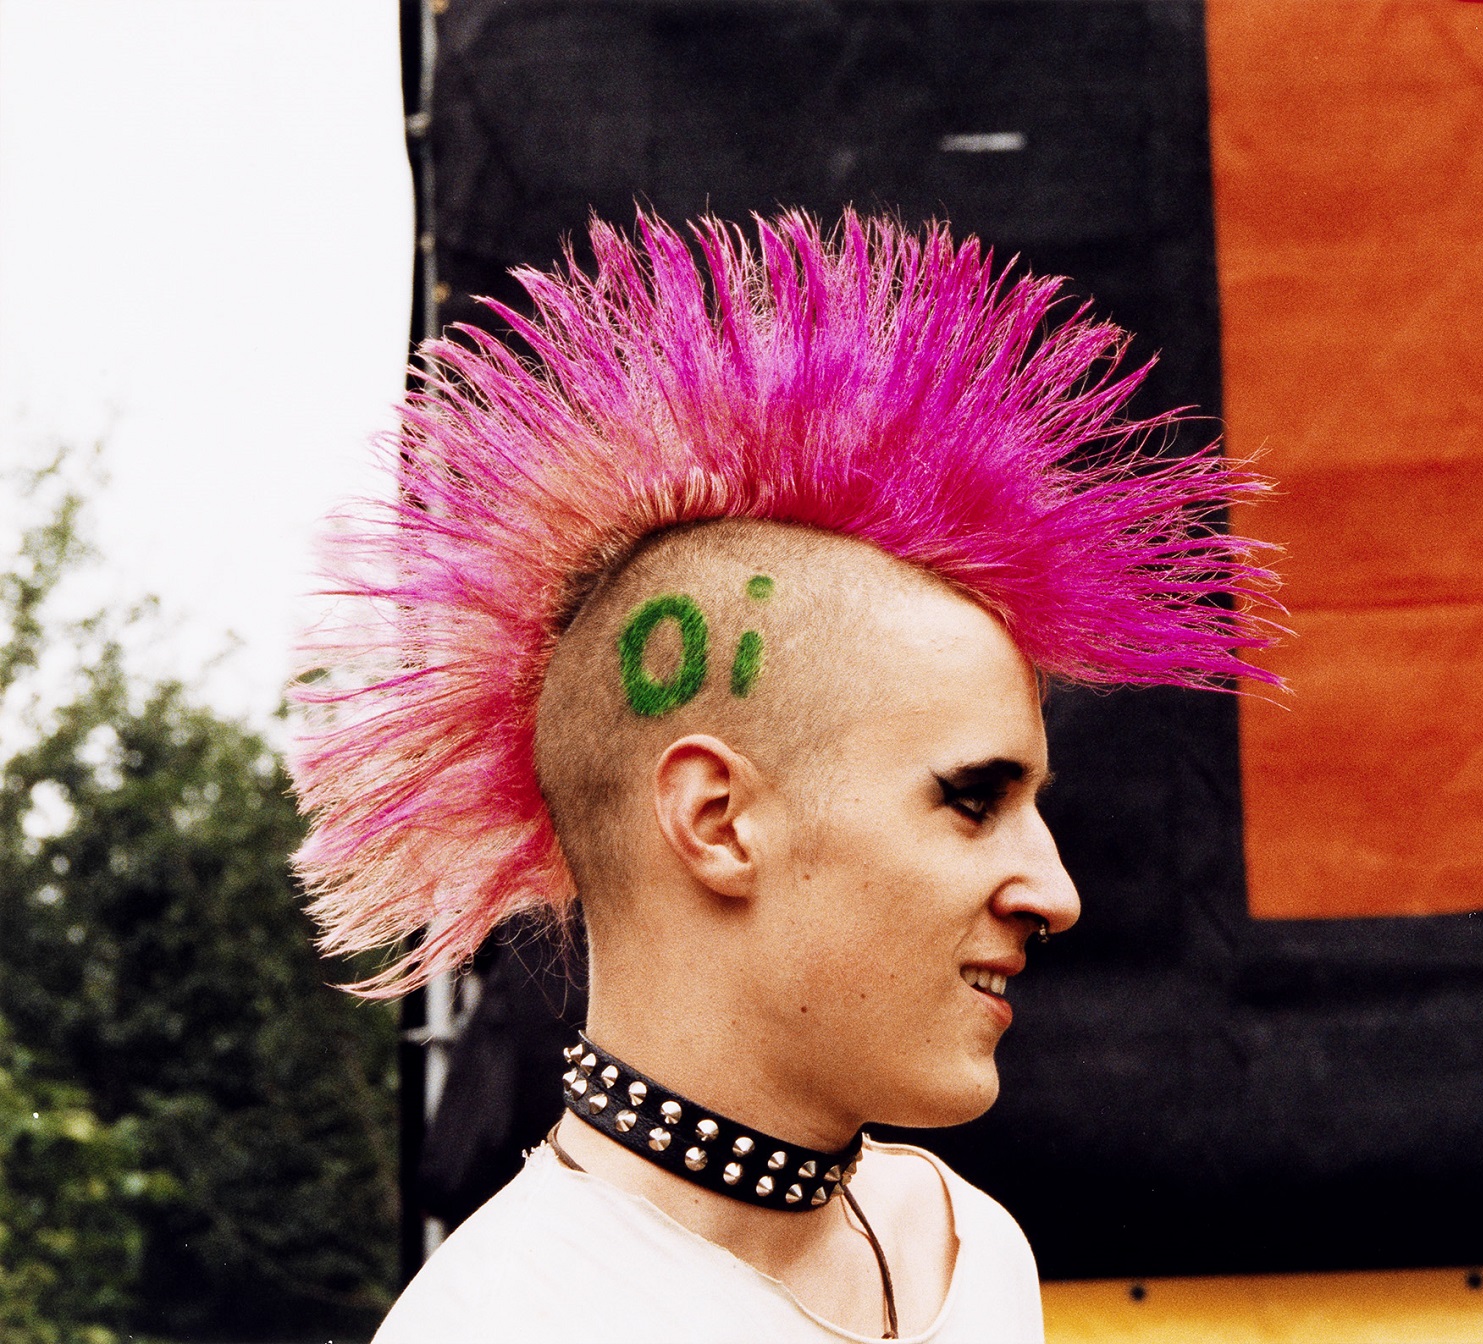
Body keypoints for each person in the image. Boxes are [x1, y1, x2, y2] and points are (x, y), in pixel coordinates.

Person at [289, 210, 1276, 1342]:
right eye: (971, 799)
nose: (1054, 893)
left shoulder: (962, 1247)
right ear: (716, 820)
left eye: (1029, 808)